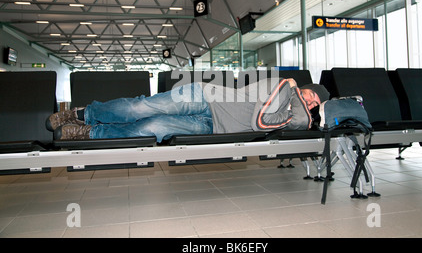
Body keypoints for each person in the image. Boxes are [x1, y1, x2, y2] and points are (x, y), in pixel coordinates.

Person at [46, 78, 329, 142]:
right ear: (302, 88)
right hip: (206, 97)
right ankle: (83, 114)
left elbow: (264, 125)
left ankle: (91, 134)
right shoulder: (281, 86)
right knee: (142, 106)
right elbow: (261, 117)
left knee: (152, 128)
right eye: (309, 94)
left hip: (214, 127)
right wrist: (292, 92)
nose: (310, 101)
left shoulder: (293, 114)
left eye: (314, 103)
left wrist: (299, 108)